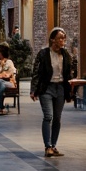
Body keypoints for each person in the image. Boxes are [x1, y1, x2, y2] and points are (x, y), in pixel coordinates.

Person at [30, 27, 77, 158]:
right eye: (60, 38)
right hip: (47, 88)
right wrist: (33, 89)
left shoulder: (66, 54)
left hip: (60, 88)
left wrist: (71, 88)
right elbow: (36, 72)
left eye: (64, 38)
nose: (63, 41)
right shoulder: (43, 54)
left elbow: (70, 71)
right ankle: (47, 146)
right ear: (52, 40)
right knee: (48, 116)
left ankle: (54, 145)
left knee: (57, 118)